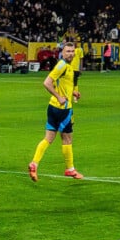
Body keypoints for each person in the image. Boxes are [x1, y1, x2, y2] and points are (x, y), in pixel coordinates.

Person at [27, 42, 83, 182]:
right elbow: (47, 82)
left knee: (48, 139)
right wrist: (60, 97)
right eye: (68, 51)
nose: (70, 53)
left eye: (72, 51)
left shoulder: (67, 66)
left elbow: (63, 85)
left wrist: (73, 93)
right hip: (62, 109)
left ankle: (34, 163)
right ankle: (70, 169)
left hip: (52, 107)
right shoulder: (62, 65)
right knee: (67, 138)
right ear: (62, 53)